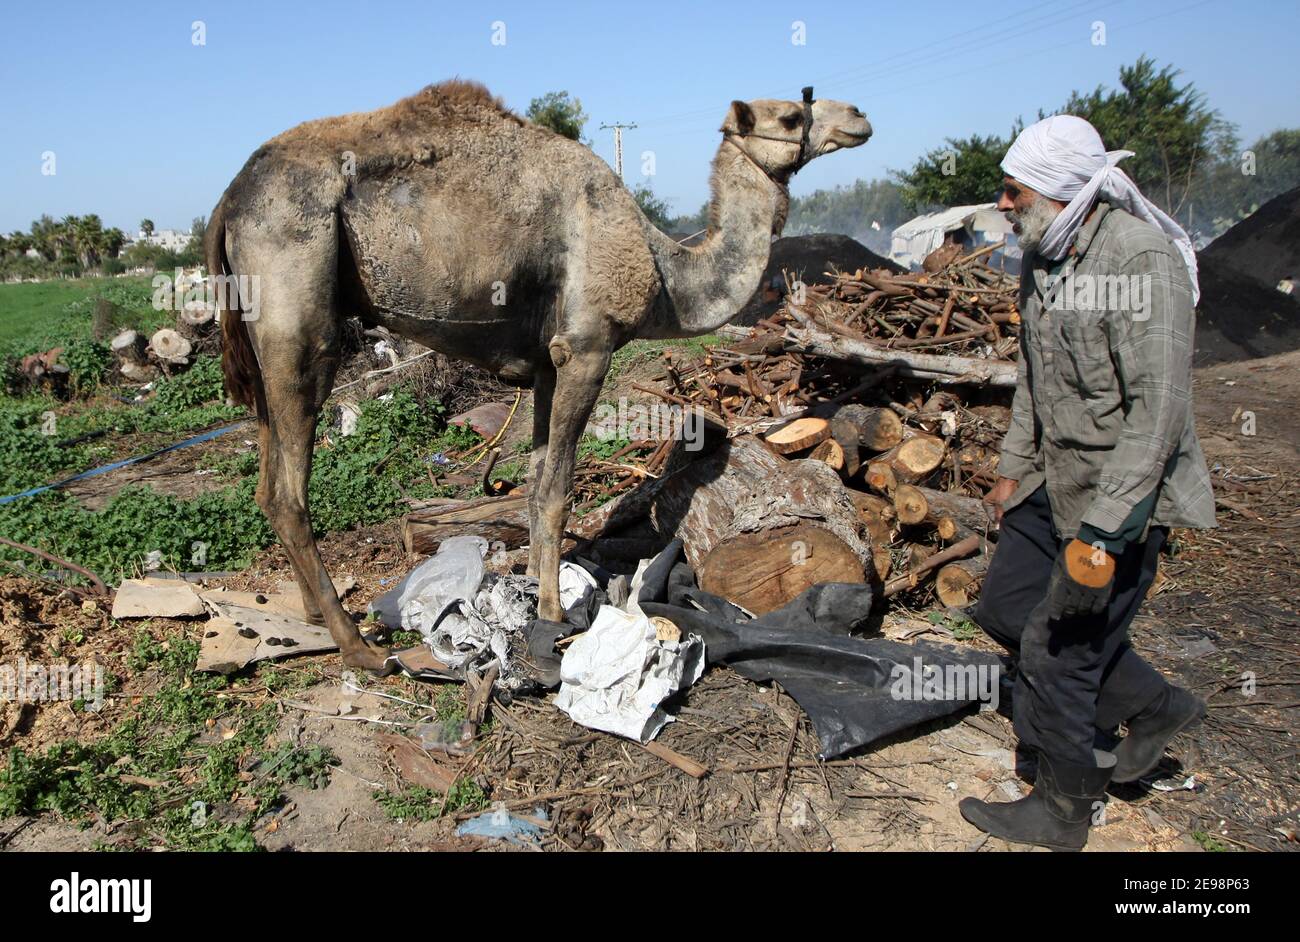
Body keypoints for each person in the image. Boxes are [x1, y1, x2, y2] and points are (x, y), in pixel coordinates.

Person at [958, 114, 1216, 851]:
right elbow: (1034, 380)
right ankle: (1155, 705)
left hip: (1121, 498)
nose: (1003, 204)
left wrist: (1103, 533)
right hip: (1052, 479)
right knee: (1006, 609)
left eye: (1014, 191)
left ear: (1058, 192)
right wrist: (1013, 469)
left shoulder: (1141, 261)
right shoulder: (1043, 255)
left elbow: (1158, 412)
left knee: (1061, 648)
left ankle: (1062, 809)